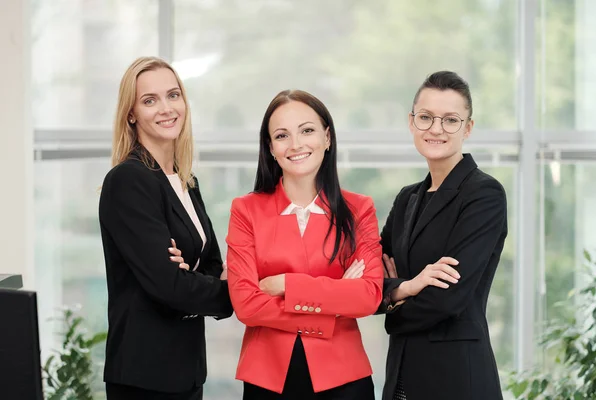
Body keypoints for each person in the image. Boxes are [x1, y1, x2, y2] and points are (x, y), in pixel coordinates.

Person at [225, 89, 383, 399]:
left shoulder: (359, 209)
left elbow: (368, 296)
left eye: (307, 130)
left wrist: (285, 284)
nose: (296, 144)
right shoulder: (246, 210)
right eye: (282, 135)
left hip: (344, 378)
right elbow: (246, 304)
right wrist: (334, 303)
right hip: (269, 379)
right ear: (270, 148)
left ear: (327, 137)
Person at [98, 56, 233, 400]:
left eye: (173, 95)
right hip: (145, 377)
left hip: (186, 372)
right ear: (131, 114)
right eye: (149, 100)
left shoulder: (187, 182)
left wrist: (191, 279)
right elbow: (168, 286)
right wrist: (232, 293)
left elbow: (214, 264)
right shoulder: (128, 180)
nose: (166, 108)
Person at [379, 71, 507, 400]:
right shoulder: (407, 198)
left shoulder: (484, 194)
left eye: (450, 120)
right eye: (426, 117)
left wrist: (392, 306)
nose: (436, 129)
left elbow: (448, 298)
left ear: (468, 128)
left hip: (455, 378)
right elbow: (369, 274)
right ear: (411, 123)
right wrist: (406, 287)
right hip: (401, 376)